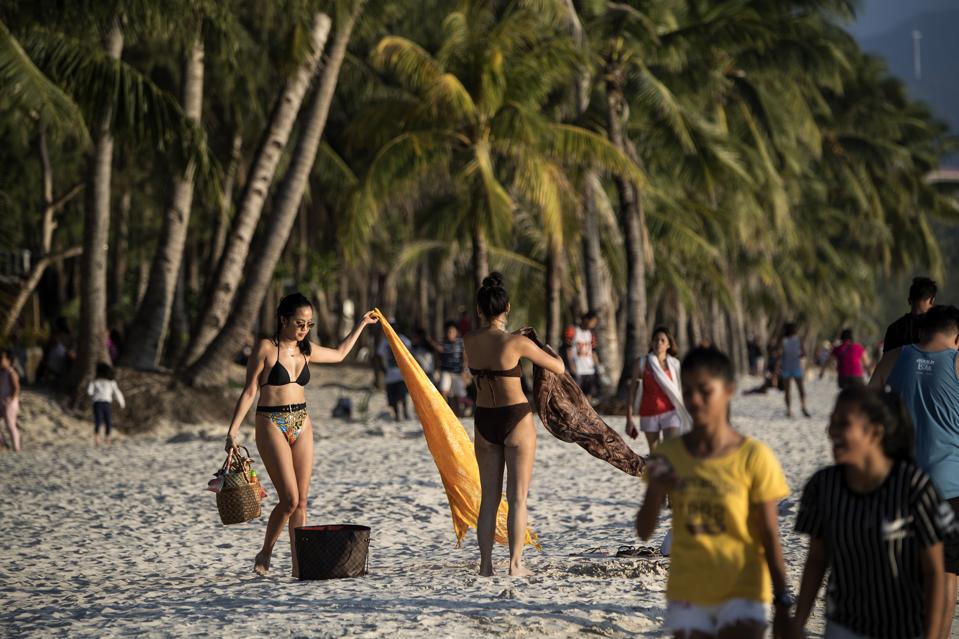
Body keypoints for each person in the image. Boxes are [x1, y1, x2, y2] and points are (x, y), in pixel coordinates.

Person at [635, 347, 791, 638]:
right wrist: (656, 491)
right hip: (688, 589)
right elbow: (644, 531)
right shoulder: (669, 454)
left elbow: (770, 534)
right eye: (689, 391)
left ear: (729, 390)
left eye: (705, 391)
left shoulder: (755, 457)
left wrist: (782, 600)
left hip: (743, 587)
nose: (694, 400)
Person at [224, 292, 377, 577]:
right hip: (271, 420)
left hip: (302, 421)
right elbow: (249, 390)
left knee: (302, 502)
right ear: (283, 319)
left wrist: (361, 324)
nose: (304, 329)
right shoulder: (266, 348)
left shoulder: (306, 350)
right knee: (289, 500)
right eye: (299, 323)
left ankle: (299, 566)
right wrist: (232, 431)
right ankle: (266, 552)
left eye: (309, 324)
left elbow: (341, 354)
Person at [791, 386, 951, 639]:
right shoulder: (822, 486)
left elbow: (933, 572)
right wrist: (798, 621)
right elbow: (817, 559)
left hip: (904, 629)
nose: (831, 432)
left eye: (843, 424)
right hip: (843, 625)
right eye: (831, 423)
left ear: (875, 432)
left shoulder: (914, 488)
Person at [464, 272, 564, 577]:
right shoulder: (516, 343)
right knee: (518, 498)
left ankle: (485, 565)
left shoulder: (469, 341)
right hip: (516, 418)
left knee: (489, 499)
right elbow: (557, 367)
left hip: (484, 420)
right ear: (507, 307)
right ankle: (515, 564)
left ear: (479, 309)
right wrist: (540, 347)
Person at [870, 304, 959, 639]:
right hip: (950, 485)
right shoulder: (957, 361)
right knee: (948, 573)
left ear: (922, 331)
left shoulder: (893, 358)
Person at [625, 326, 688, 452]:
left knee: (671, 450)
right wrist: (629, 419)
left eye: (662, 340)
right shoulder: (642, 363)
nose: (658, 343)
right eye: (656, 340)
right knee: (655, 452)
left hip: (671, 412)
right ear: (651, 343)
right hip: (648, 413)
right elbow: (632, 392)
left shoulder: (675, 365)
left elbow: (681, 390)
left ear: (668, 345)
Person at [883, 276, 937, 354]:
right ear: (932, 300)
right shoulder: (940, 327)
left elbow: (886, 360)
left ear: (909, 301)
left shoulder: (894, 328)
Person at [431, 321, 470, 415]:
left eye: (452, 332)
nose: (449, 334)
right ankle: (446, 412)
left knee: (457, 395)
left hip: (457, 372)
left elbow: (465, 357)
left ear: (456, 332)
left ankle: (457, 414)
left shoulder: (460, 342)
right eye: (448, 331)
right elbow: (440, 351)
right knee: (444, 390)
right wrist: (432, 342)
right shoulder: (443, 342)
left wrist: (465, 371)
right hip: (446, 371)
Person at [377, 326, 411, 421]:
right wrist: (382, 368)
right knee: (392, 398)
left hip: (401, 374)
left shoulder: (402, 339)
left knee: (403, 396)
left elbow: (410, 350)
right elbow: (379, 355)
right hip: (390, 375)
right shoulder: (384, 341)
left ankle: (405, 412)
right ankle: (397, 415)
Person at [87, 362, 125, 446]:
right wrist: (121, 402)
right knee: (107, 421)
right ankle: (106, 438)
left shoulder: (97, 381)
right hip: (105, 403)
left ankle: (100, 438)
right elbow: (117, 393)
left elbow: (89, 392)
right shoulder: (110, 382)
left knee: (99, 421)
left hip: (98, 403)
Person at [565, 311, 601, 400]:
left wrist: (598, 366)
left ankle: (586, 413)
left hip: (589, 369)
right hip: (578, 369)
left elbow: (593, 352)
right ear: (586, 319)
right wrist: (571, 365)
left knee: (589, 395)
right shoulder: (573, 331)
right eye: (592, 322)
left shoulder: (591, 334)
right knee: (575, 395)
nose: (593, 325)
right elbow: (568, 349)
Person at [777, 322, 810, 418]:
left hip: (786, 367)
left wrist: (777, 369)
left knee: (787, 391)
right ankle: (803, 407)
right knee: (801, 389)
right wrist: (797, 356)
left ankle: (788, 410)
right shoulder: (799, 340)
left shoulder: (783, 341)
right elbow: (804, 353)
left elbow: (779, 355)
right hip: (796, 367)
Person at [0, 349, 21, 452]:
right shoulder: (2, 372)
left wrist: (11, 399)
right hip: (2, 400)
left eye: (2, 359)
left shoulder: (11, 372)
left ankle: (16, 448)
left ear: (8, 360)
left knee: (10, 424)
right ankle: (2, 444)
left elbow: (16, 388)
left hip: (9, 402)